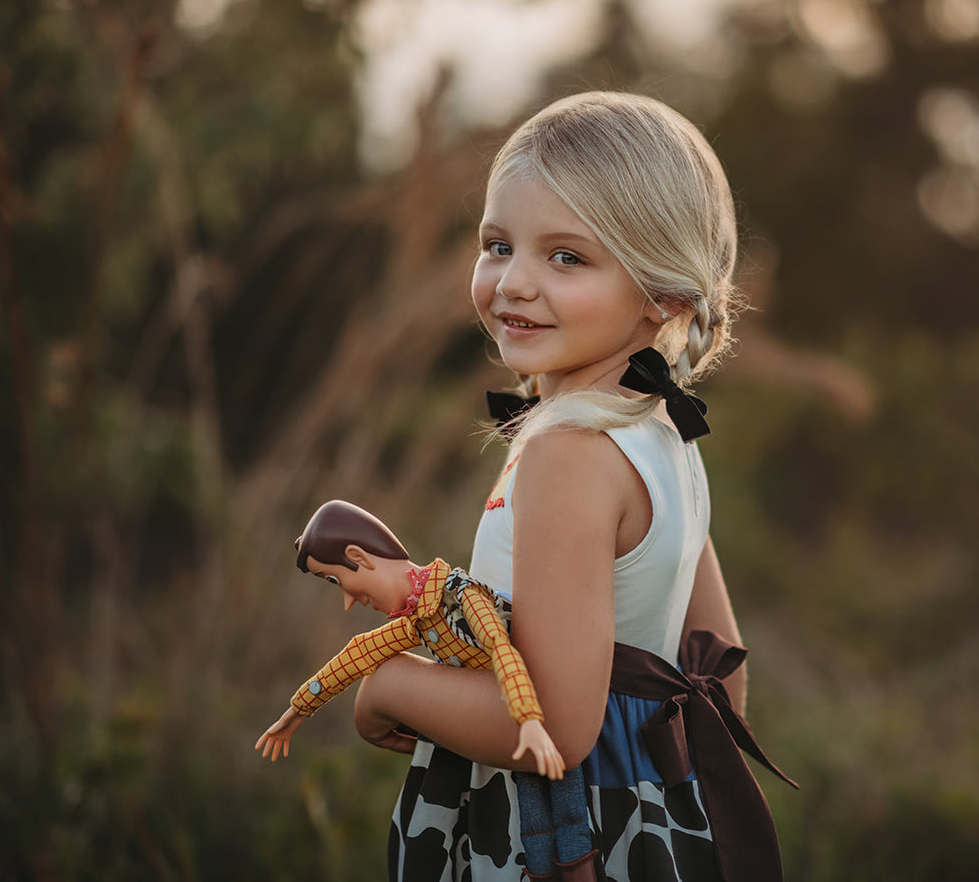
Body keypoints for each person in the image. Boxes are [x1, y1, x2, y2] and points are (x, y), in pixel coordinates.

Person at [352, 91, 794, 882]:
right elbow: (723, 674)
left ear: (662, 294)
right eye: (497, 245)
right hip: (645, 825)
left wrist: (393, 685)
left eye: (566, 257)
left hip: (552, 836)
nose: (513, 282)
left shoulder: (572, 453)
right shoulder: (660, 430)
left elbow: (554, 721)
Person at [254, 499, 593, 878]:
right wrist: (298, 709)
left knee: (562, 825)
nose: (349, 601)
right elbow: (360, 652)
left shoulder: (461, 597)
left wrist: (528, 718)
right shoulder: (418, 618)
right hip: (497, 729)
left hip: (531, 707)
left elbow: (500, 647)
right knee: (528, 836)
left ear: (358, 556)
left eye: (337, 581)